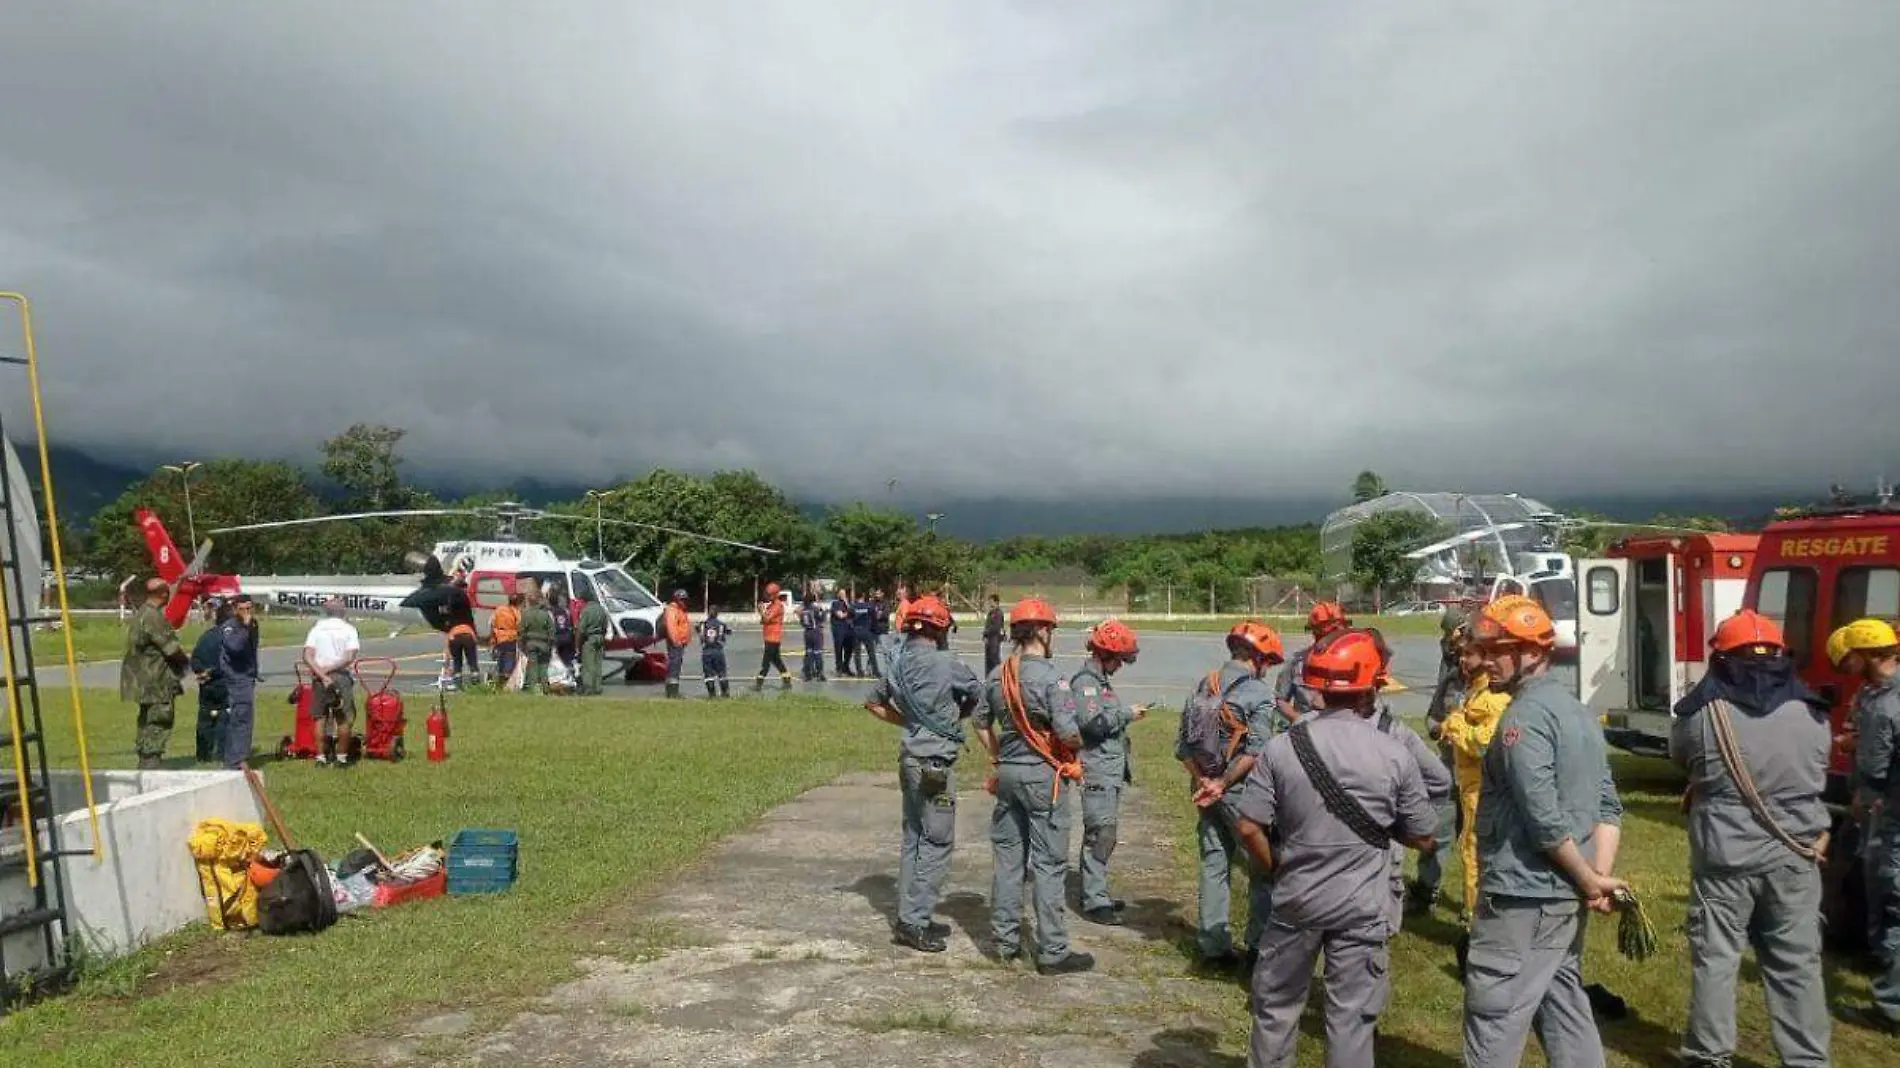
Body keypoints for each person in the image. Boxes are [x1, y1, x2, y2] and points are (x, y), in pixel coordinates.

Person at [1231, 629, 1438, 1068]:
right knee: (1351, 1021)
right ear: (1371, 684)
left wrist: (1274, 869)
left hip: (1297, 899)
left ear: (1317, 683)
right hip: (1362, 906)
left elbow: (1249, 826)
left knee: (1275, 1011)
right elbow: (1425, 836)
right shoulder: (1394, 752)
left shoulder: (1281, 748)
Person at [1463, 595, 1626, 1068]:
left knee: (1494, 1015)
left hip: (1523, 896)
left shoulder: (1523, 719)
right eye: (1485, 650)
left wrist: (1589, 879)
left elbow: (1543, 817)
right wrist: (1595, 876)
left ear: (1533, 653)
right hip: (1562, 898)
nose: (1487, 661)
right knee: (1563, 1005)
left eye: (1499, 650)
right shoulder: (1578, 712)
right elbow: (1608, 804)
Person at [1671, 610, 1831, 1067]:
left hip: (1725, 859)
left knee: (1717, 962)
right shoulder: (1814, 713)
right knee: (1797, 966)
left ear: (1721, 657)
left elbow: (1679, 757)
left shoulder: (1701, 714)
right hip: (1794, 856)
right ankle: (1807, 1060)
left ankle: (1709, 1056)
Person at [976, 597, 1093, 974]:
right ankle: (1053, 951)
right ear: (1042, 631)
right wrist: (1079, 745)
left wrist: (998, 756)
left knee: (1009, 860)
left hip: (1008, 775)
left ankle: (1005, 943)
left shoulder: (997, 675)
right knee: (1048, 864)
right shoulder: (1052, 678)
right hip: (1044, 777)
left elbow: (979, 722)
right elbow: (1066, 732)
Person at [864, 594, 982, 953]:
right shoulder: (948, 663)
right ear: (939, 629)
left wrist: (911, 722)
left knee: (914, 837)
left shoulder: (897, 663)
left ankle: (910, 912)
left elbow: (873, 702)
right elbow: (977, 695)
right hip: (935, 763)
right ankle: (913, 921)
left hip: (910, 757)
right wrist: (949, 720)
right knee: (937, 842)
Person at [1177, 620, 1284, 971]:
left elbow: (1184, 745)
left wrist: (1205, 782)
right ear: (1257, 658)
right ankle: (1258, 949)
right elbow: (1257, 752)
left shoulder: (1205, 684)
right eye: (1266, 661)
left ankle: (1212, 945)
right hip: (1240, 794)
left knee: (1214, 864)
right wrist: (1222, 783)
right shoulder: (1259, 694)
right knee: (1263, 871)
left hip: (1203, 790)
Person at [1830, 617, 1900, 1035]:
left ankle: (1892, 1006)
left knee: (1892, 904)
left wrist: (1861, 799)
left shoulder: (1883, 704)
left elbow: (1874, 767)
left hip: (1891, 812)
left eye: (1850, 655)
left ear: (1868, 655)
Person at [1072, 618, 1147, 926]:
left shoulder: (1100, 683)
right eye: (1119, 659)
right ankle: (1094, 899)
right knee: (1099, 834)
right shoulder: (1086, 684)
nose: (1121, 666)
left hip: (1109, 771)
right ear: (1106, 654)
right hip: (1098, 770)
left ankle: (1095, 890)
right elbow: (1094, 724)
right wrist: (1127, 714)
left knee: (1105, 833)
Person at [1439, 634, 1509, 922]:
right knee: (1468, 849)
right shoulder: (1475, 693)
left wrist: (1455, 724)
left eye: (1469, 654)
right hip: (1469, 787)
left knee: (1475, 852)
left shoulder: (1494, 701)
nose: (1463, 660)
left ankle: (1476, 916)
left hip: (1483, 790)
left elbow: (1481, 745)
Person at [1414, 606, 1471, 912]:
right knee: (1438, 829)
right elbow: (1432, 716)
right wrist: (1439, 731)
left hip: (1482, 777)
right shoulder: (1450, 676)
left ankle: (1475, 904)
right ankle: (1426, 890)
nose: (1461, 658)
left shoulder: (1494, 687)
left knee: (1479, 845)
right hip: (1451, 769)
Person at [122, 577, 188, 769]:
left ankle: (145, 757)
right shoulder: (153, 617)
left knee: (146, 719)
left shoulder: (141, 613)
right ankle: (150, 761)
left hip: (143, 679)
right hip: (156, 680)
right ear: (162, 594)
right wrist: (188, 667)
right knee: (159, 719)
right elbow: (170, 648)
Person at [302, 597, 363, 768]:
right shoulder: (349, 629)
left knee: (320, 718)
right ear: (342, 611)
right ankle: (341, 757)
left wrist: (321, 674)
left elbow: (307, 656)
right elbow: (349, 657)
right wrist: (330, 670)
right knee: (343, 718)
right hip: (340, 676)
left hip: (319, 677)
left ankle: (321, 757)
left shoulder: (317, 629)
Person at [1275, 601, 1351, 727]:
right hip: (1305, 730)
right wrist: (1299, 720)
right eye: (1325, 634)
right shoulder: (1296, 662)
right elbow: (1280, 699)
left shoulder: (1351, 660)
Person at [217, 595, 261, 769]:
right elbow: (235, 647)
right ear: (235, 610)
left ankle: (239, 755)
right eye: (243, 609)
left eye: (249, 608)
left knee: (245, 716)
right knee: (240, 716)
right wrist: (245, 626)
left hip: (247, 675)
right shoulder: (230, 627)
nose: (247, 613)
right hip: (236, 677)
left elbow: (252, 647)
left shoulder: (253, 624)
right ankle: (236, 759)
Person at [189, 598, 232, 764]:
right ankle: (221, 754)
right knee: (224, 716)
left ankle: (203, 755)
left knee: (205, 717)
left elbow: (195, 658)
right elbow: (229, 662)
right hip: (223, 683)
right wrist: (213, 672)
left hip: (206, 684)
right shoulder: (230, 638)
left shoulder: (206, 636)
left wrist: (201, 672)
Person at [754, 582, 792, 691]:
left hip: (773, 638)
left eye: (770, 594)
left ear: (775, 594)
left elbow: (766, 619)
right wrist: (761, 612)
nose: (768, 596)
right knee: (777, 661)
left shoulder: (777, 606)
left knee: (766, 662)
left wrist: (762, 611)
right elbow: (763, 621)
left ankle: (759, 683)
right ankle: (787, 680)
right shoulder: (771, 606)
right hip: (768, 637)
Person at [517, 591, 555, 694]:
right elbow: (552, 632)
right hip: (544, 644)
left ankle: (531, 688)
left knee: (532, 666)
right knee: (543, 667)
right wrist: (550, 645)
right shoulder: (546, 615)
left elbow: (521, 631)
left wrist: (522, 645)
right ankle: (545, 688)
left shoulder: (526, 614)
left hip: (531, 643)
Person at [577, 587, 610, 695]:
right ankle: (598, 687)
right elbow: (606, 625)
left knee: (588, 664)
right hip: (600, 637)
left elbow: (581, 629)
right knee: (598, 664)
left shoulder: (586, 610)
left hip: (589, 639)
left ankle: (589, 688)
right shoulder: (601, 609)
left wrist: (578, 644)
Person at [662, 590, 692, 699]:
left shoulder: (680, 610)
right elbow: (671, 627)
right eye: (682, 599)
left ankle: (673, 691)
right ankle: (672, 693)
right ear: (676, 599)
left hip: (680, 643)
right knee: (674, 666)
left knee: (676, 666)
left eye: (685, 599)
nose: (684, 602)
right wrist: (676, 641)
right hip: (675, 643)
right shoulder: (672, 610)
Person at [699, 607, 732, 698]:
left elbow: (698, 631)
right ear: (717, 614)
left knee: (708, 674)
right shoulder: (721, 625)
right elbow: (729, 632)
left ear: (708, 614)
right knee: (722, 673)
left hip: (706, 651)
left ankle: (712, 694)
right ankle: (725, 693)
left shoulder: (702, 624)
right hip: (718, 651)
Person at [490, 592, 522, 683]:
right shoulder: (516, 612)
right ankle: (506, 680)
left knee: (500, 659)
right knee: (509, 660)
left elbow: (492, 623)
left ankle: (500, 680)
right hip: (511, 638)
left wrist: (492, 639)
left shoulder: (499, 609)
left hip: (499, 638)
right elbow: (519, 626)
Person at [798, 592, 827, 682]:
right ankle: (820, 673)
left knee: (808, 653)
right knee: (817, 653)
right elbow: (822, 619)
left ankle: (807, 674)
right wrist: (824, 611)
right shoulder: (815, 609)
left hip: (807, 632)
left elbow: (802, 622)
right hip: (816, 632)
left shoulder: (803, 610)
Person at [851, 592, 878, 677]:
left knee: (857, 653)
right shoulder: (869, 606)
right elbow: (874, 619)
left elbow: (849, 618)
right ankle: (875, 671)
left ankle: (859, 671)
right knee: (871, 652)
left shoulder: (853, 607)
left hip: (856, 631)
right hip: (867, 631)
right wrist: (874, 630)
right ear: (863, 596)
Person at [831, 589, 856, 677]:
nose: (843, 595)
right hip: (839, 629)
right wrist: (848, 613)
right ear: (838, 594)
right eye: (841, 594)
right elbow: (840, 616)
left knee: (849, 649)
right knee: (839, 650)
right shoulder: (835, 603)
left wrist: (847, 605)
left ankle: (846, 667)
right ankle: (839, 668)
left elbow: (854, 614)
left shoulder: (849, 604)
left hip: (849, 630)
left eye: (844, 594)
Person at [982, 594, 1006, 677]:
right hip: (989, 639)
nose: (990, 603)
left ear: (996, 602)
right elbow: (987, 625)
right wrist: (984, 635)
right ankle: (988, 677)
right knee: (988, 660)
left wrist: (987, 633)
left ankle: (998, 676)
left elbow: (996, 627)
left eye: (991, 601)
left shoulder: (999, 613)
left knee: (994, 658)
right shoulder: (991, 613)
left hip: (994, 639)